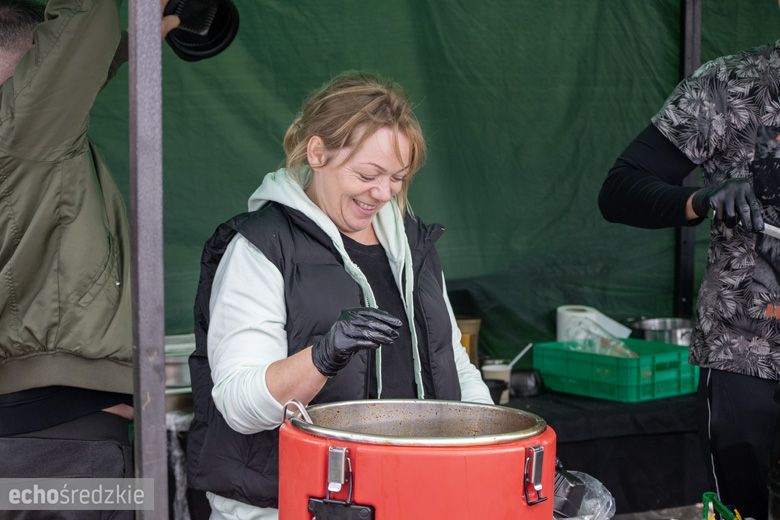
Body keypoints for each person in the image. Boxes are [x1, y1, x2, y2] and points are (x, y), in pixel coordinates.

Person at [187, 72, 492, 519]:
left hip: (409, 496)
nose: (383, 193)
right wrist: (322, 356)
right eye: (368, 174)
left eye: (397, 178)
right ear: (317, 152)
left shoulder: (413, 246)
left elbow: (455, 369)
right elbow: (238, 405)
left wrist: (501, 452)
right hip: (284, 505)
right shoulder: (262, 246)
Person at [0, 0, 178, 516]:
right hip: (63, 449)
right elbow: (85, 13)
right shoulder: (18, 132)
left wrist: (129, 50)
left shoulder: (25, 137)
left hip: (37, 438)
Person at [599, 41, 780, 518]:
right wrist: (702, 198)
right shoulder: (728, 84)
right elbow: (620, 190)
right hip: (744, 353)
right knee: (742, 509)